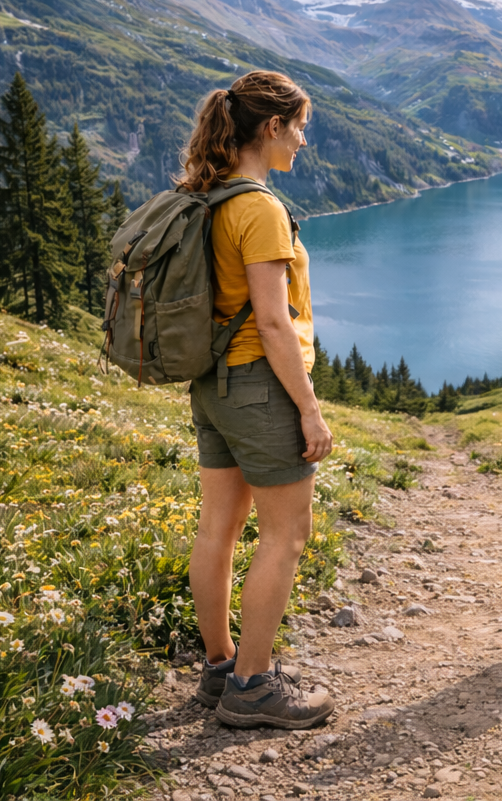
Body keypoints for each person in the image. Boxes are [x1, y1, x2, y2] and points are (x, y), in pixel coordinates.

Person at [179, 70, 335, 729]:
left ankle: (220, 669)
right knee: (286, 535)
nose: (301, 142)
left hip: (212, 384)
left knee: (218, 528)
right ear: (271, 127)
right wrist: (308, 408)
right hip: (258, 387)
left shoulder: (208, 195)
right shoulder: (260, 207)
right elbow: (273, 323)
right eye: (298, 128)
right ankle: (253, 686)